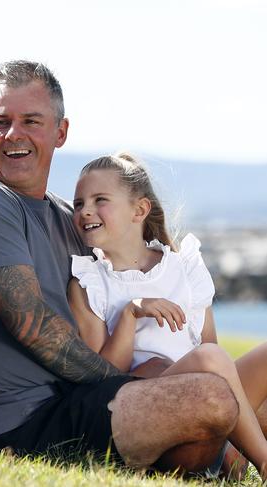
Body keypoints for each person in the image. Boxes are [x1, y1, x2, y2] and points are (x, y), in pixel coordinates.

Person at [0, 59, 242, 473]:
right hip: (25, 424)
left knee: (238, 394)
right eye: (1, 122)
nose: (15, 134)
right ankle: (212, 451)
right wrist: (142, 385)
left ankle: (209, 450)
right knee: (211, 398)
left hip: (84, 401)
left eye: (32, 120)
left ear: (60, 132)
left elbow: (119, 281)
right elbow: (36, 329)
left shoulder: (67, 218)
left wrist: (165, 363)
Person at [69, 152, 267, 479]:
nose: (85, 210)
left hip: (206, 389)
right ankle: (261, 459)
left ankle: (230, 451)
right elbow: (103, 378)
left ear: (140, 210)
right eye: (78, 203)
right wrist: (131, 313)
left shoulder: (183, 265)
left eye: (99, 199)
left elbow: (219, 366)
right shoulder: (89, 281)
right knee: (210, 359)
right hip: (148, 402)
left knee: (221, 359)